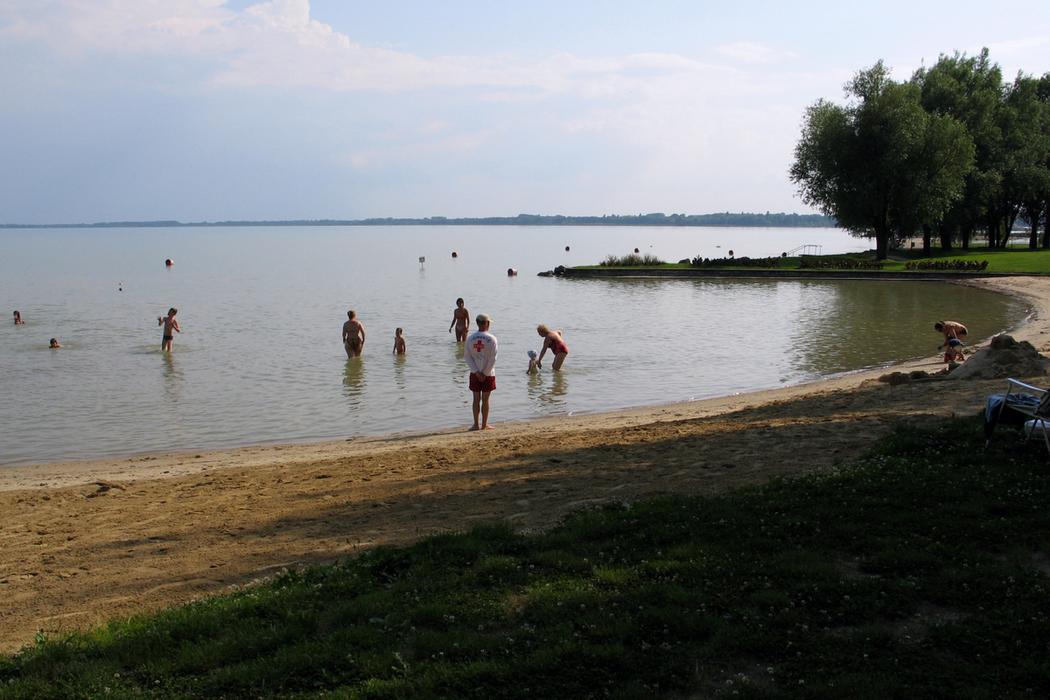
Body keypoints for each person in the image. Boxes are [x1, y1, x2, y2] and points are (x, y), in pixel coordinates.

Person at [466, 313, 498, 430]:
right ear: (486, 324)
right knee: (485, 400)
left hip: (475, 373)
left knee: (475, 399)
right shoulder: (492, 339)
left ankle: (476, 424)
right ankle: (484, 424)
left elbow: (467, 357)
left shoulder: (470, 338)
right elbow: (493, 358)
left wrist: (477, 372)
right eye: (488, 322)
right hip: (488, 374)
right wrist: (484, 373)